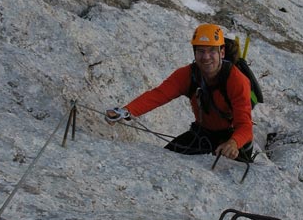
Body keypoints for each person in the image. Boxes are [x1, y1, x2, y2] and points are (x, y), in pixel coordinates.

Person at [106, 23, 254, 162]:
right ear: (195, 53)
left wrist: (234, 142)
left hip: (233, 138)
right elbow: (158, 95)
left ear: (222, 53)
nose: (206, 57)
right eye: (201, 51)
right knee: (163, 160)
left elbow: (245, 126)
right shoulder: (188, 75)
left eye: (211, 51)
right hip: (203, 134)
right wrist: (126, 111)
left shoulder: (236, 81)